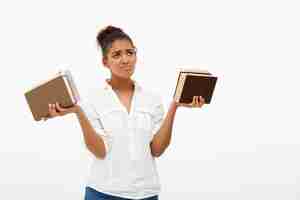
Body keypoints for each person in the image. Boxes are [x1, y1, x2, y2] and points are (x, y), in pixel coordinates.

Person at [47, 25, 205, 200]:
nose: (125, 59)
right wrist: (78, 112)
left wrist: (175, 106)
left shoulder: (152, 99)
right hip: (103, 194)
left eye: (130, 53)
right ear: (105, 62)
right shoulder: (92, 99)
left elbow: (157, 149)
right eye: (117, 55)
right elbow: (99, 151)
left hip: (146, 194)